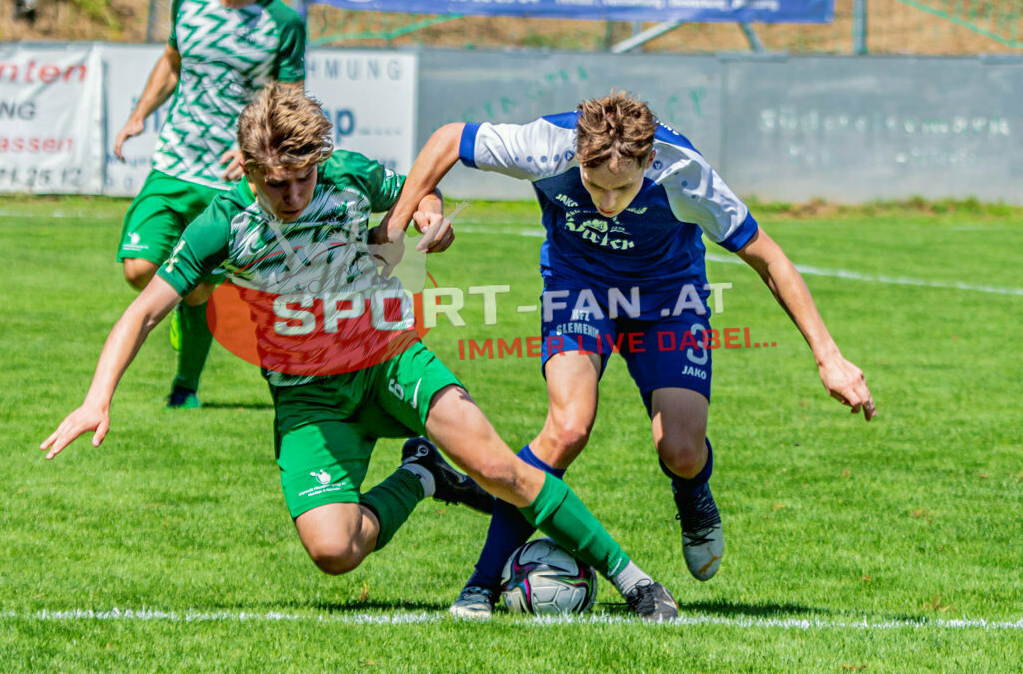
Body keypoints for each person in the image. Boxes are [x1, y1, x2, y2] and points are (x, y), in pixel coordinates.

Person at [41, 84, 679, 622]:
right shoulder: (221, 223)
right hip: (308, 398)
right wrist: (97, 398)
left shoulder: (348, 174)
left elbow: (416, 191)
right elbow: (144, 309)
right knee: (334, 550)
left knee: (499, 469)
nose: (291, 195)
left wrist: (429, 218)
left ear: (319, 159)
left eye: (302, 178)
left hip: (390, 361)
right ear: (246, 165)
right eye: (274, 182)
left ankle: (636, 582)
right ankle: (424, 474)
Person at [385, 91, 877, 618]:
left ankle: (693, 496)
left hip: (670, 297)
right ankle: (481, 585)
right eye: (595, 185)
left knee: (681, 450)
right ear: (577, 155)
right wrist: (396, 227)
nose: (607, 202)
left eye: (622, 188)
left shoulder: (686, 174)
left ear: (648, 160)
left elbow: (770, 258)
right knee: (568, 427)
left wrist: (829, 357)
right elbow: (447, 140)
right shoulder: (545, 146)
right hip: (579, 288)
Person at [113, 0, 306, 408]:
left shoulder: (282, 22)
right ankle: (181, 313)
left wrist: (252, 150)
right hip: (173, 161)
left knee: (197, 289)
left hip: (228, 179)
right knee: (137, 268)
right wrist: (138, 114)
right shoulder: (188, 2)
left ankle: (185, 387)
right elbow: (172, 64)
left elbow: (286, 100)